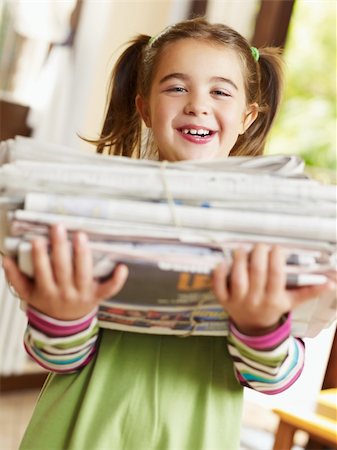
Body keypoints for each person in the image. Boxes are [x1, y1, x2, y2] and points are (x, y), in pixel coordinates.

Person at [2, 17, 334, 450]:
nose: (197, 104)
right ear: (144, 108)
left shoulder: (270, 231)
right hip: (79, 434)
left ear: (247, 117)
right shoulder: (95, 215)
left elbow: (277, 379)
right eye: (176, 88)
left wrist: (260, 326)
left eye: (220, 91)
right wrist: (64, 316)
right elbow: (52, 356)